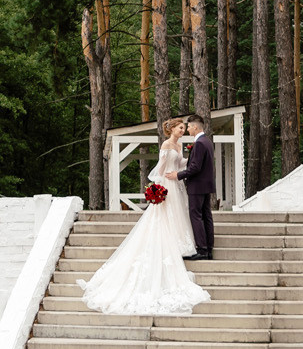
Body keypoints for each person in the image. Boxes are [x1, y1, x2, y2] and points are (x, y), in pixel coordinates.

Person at [76, 117, 209, 316]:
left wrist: (189, 159)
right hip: (168, 183)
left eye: (184, 128)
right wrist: (159, 186)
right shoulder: (166, 144)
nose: (183, 131)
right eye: (181, 128)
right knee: (166, 215)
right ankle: (168, 242)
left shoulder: (179, 145)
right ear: (173, 128)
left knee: (178, 215)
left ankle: (178, 242)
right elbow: (161, 168)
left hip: (177, 184)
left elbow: (180, 163)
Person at [173, 112, 216, 260]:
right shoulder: (207, 141)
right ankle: (209, 249)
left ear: (196, 127)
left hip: (197, 186)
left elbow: (195, 167)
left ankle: (202, 249)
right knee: (206, 216)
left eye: (189, 127)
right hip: (206, 185)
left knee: (196, 216)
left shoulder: (199, 143)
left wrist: (178, 175)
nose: (188, 129)